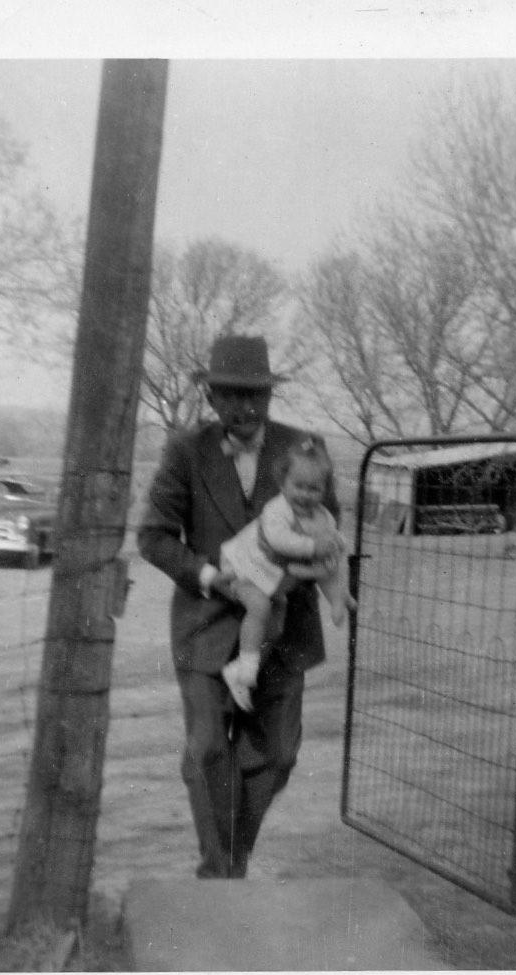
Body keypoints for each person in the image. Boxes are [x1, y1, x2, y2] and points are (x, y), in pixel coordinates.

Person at [136, 333, 342, 879]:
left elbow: (329, 534)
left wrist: (303, 578)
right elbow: (154, 537)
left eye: (254, 395)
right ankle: (221, 872)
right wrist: (209, 576)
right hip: (205, 629)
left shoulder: (304, 448)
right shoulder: (186, 451)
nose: (243, 407)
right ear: (211, 398)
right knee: (207, 751)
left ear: (270, 396)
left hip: (286, 630)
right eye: (230, 395)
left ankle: (232, 859)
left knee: (277, 756)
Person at [218, 435, 355, 712]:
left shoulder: (321, 516)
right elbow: (279, 539)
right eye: (299, 487)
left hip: (275, 570)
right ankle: (242, 669)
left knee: (329, 561)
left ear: (324, 491)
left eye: (314, 489)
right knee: (259, 607)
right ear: (283, 483)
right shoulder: (277, 509)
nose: (305, 495)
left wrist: (334, 542)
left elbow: (329, 535)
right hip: (245, 565)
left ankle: (339, 598)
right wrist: (313, 546)